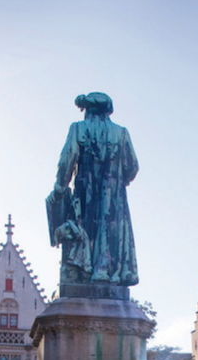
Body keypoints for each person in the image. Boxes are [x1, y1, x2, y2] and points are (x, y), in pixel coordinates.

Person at [46, 92, 139, 287]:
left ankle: (84, 270)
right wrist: (118, 179)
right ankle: (106, 270)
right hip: (114, 197)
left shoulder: (79, 129)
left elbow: (67, 159)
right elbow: (132, 166)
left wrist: (60, 187)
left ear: (87, 111)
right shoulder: (121, 133)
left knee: (85, 230)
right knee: (110, 231)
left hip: (85, 192)